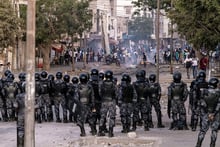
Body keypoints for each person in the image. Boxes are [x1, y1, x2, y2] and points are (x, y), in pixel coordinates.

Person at [195, 77, 220, 147]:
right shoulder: (218, 92)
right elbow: (219, 104)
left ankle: (198, 145)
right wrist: (213, 113)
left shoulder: (204, 91)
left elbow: (202, 103)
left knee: (202, 131)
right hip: (215, 114)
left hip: (206, 113)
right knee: (214, 131)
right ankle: (212, 145)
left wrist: (207, 112)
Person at [98, 70, 117, 137]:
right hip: (112, 101)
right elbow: (116, 93)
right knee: (112, 117)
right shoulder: (114, 83)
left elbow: (100, 93)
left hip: (104, 101)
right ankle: (110, 132)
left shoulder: (101, 83)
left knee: (102, 117)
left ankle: (100, 131)